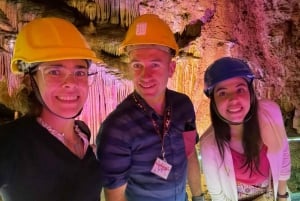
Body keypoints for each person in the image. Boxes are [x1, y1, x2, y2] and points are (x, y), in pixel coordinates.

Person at [96, 14, 204, 201]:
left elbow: (189, 152)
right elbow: (115, 196)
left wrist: (198, 197)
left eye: (155, 64)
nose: (145, 76)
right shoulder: (116, 129)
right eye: (137, 65)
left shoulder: (183, 106)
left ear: (171, 69)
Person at [0, 17, 103, 201]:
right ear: (29, 80)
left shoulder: (83, 134)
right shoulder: (10, 143)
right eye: (55, 72)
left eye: (79, 72)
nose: (70, 83)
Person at [200, 57, 291, 201]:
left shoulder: (271, 113)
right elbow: (218, 195)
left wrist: (282, 196)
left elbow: (283, 153)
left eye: (240, 89)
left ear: (250, 93)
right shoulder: (209, 144)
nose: (233, 100)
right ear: (213, 102)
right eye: (222, 93)